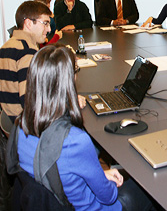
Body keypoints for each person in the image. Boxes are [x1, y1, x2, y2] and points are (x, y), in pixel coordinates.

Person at [11, 45, 154, 210]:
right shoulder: (75, 141)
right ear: (68, 80)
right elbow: (108, 197)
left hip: (58, 198)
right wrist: (103, 181)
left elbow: (53, 169)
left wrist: (99, 176)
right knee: (149, 185)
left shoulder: (21, 126)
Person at [0, 0, 52, 122]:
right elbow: (30, 101)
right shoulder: (26, 52)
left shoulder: (8, 45)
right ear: (28, 23)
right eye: (45, 23)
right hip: (24, 124)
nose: (49, 29)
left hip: (11, 118)